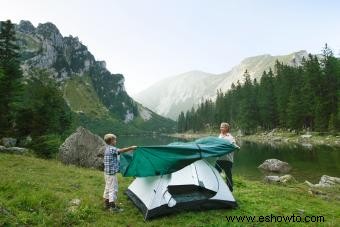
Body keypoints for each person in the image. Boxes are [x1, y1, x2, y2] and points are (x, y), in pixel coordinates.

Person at [103, 133, 137, 212]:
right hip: (111, 173)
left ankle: (106, 204)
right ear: (111, 141)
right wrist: (131, 148)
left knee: (108, 188)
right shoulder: (112, 148)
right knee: (113, 189)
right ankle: (113, 208)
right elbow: (121, 150)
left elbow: (118, 152)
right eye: (115, 140)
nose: (116, 141)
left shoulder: (107, 148)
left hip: (107, 173)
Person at [215, 122, 237, 192]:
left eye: (222, 127)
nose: (221, 128)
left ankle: (230, 190)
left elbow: (233, 146)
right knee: (215, 173)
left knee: (228, 175)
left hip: (227, 160)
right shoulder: (219, 136)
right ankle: (216, 187)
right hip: (219, 159)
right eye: (220, 127)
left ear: (227, 128)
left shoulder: (230, 137)